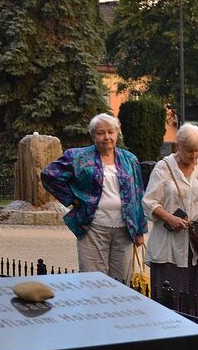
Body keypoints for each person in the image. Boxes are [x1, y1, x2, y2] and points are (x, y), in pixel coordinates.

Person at [41, 113, 147, 283]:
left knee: (121, 283)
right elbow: (49, 175)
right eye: (101, 133)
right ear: (92, 135)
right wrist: (73, 199)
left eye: (111, 132)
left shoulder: (130, 159)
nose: (107, 137)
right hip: (93, 227)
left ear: (117, 133)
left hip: (125, 229)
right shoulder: (78, 157)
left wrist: (140, 230)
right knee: (94, 280)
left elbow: (138, 194)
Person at [142, 124, 198, 314]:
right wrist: (168, 217)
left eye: (197, 151)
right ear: (178, 146)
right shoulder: (163, 168)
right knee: (171, 297)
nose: (194, 156)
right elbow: (148, 202)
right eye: (189, 151)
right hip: (169, 247)